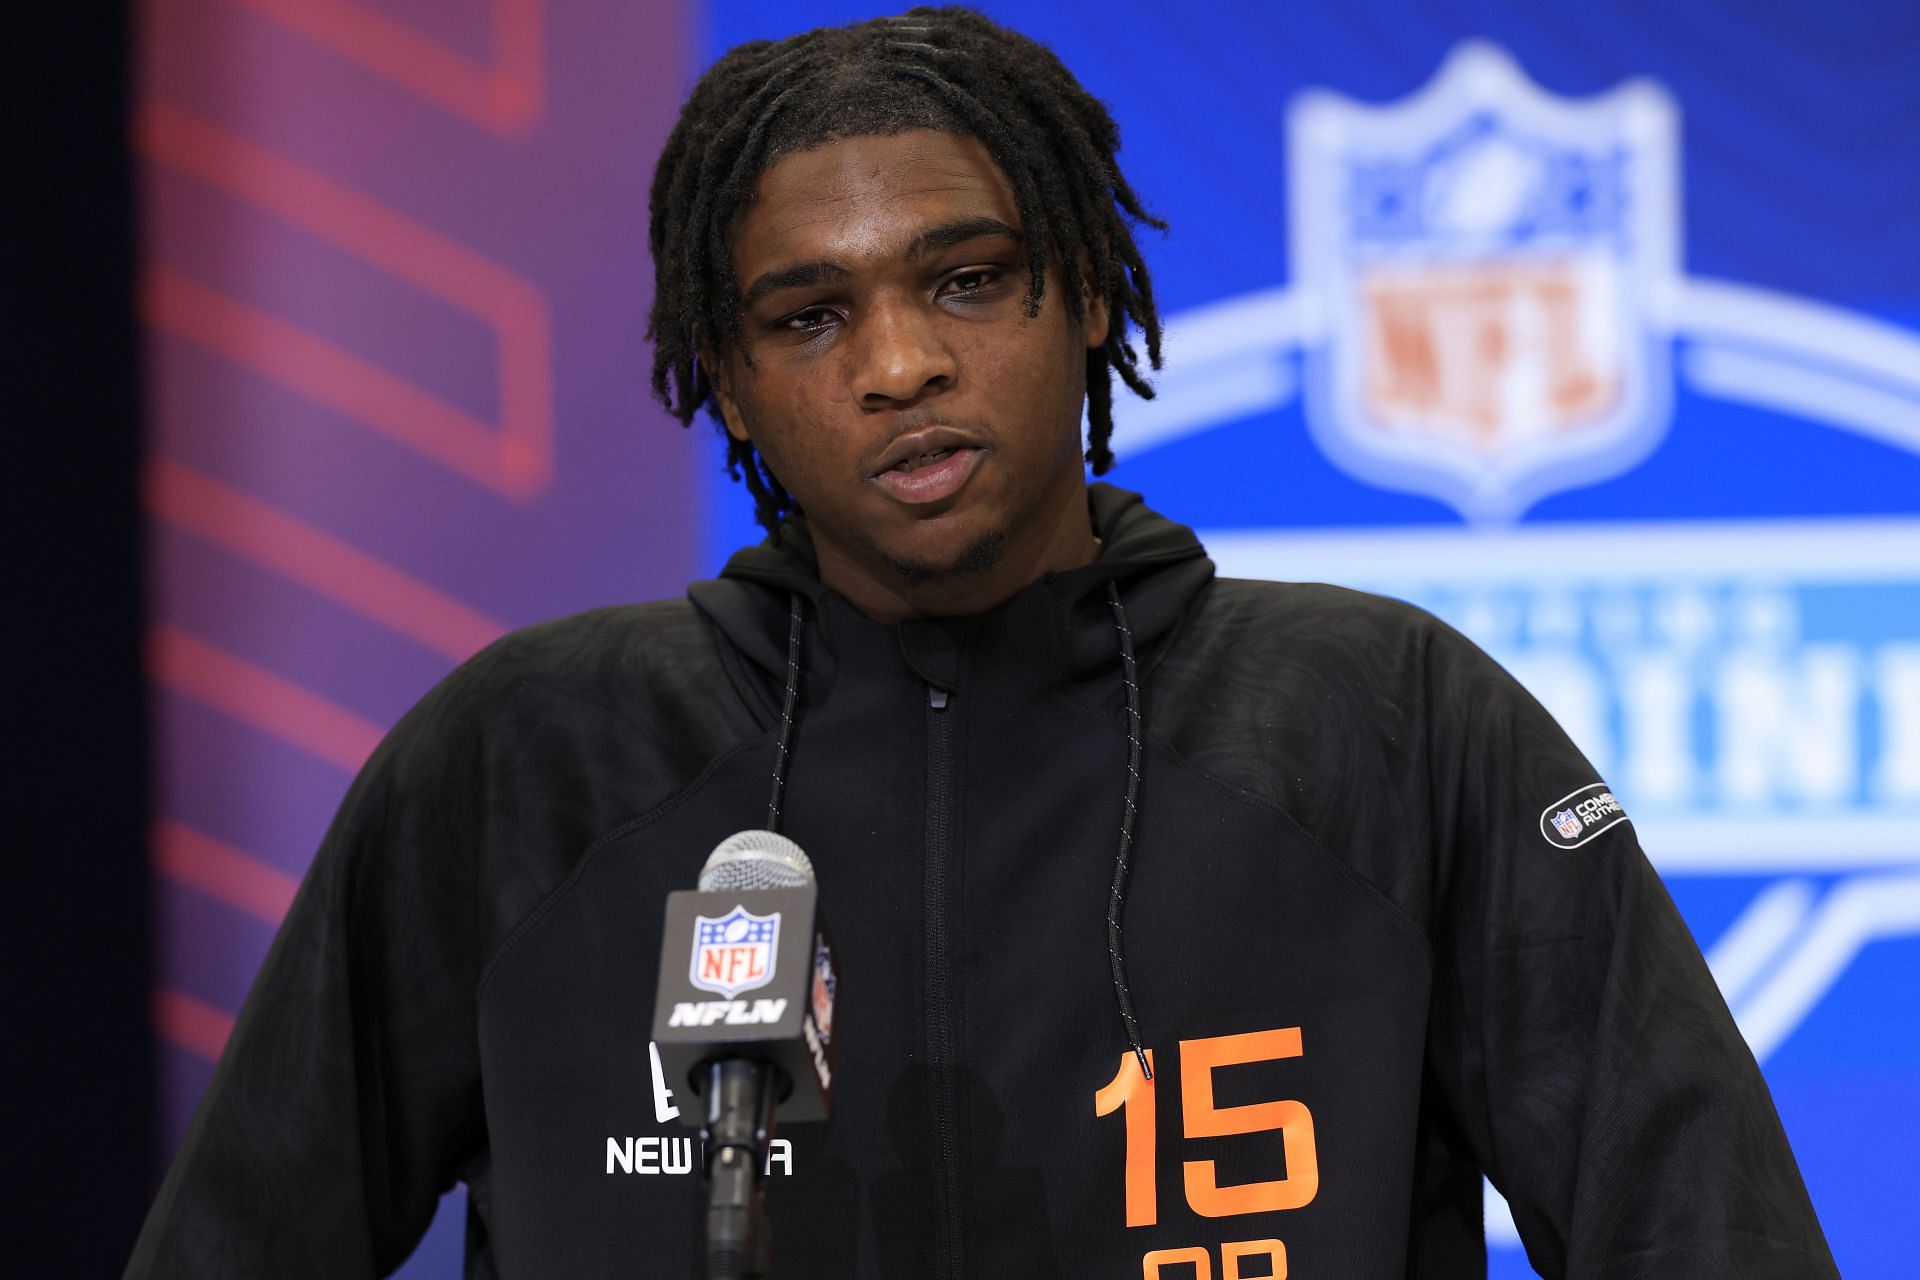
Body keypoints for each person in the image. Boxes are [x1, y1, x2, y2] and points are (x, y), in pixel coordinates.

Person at [127, 8, 1836, 1277]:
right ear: (725, 377)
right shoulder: (529, 757)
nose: (898, 366)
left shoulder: (1383, 717)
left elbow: (1705, 1232)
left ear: (1086, 294)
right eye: (812, 316)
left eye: (965, 281)